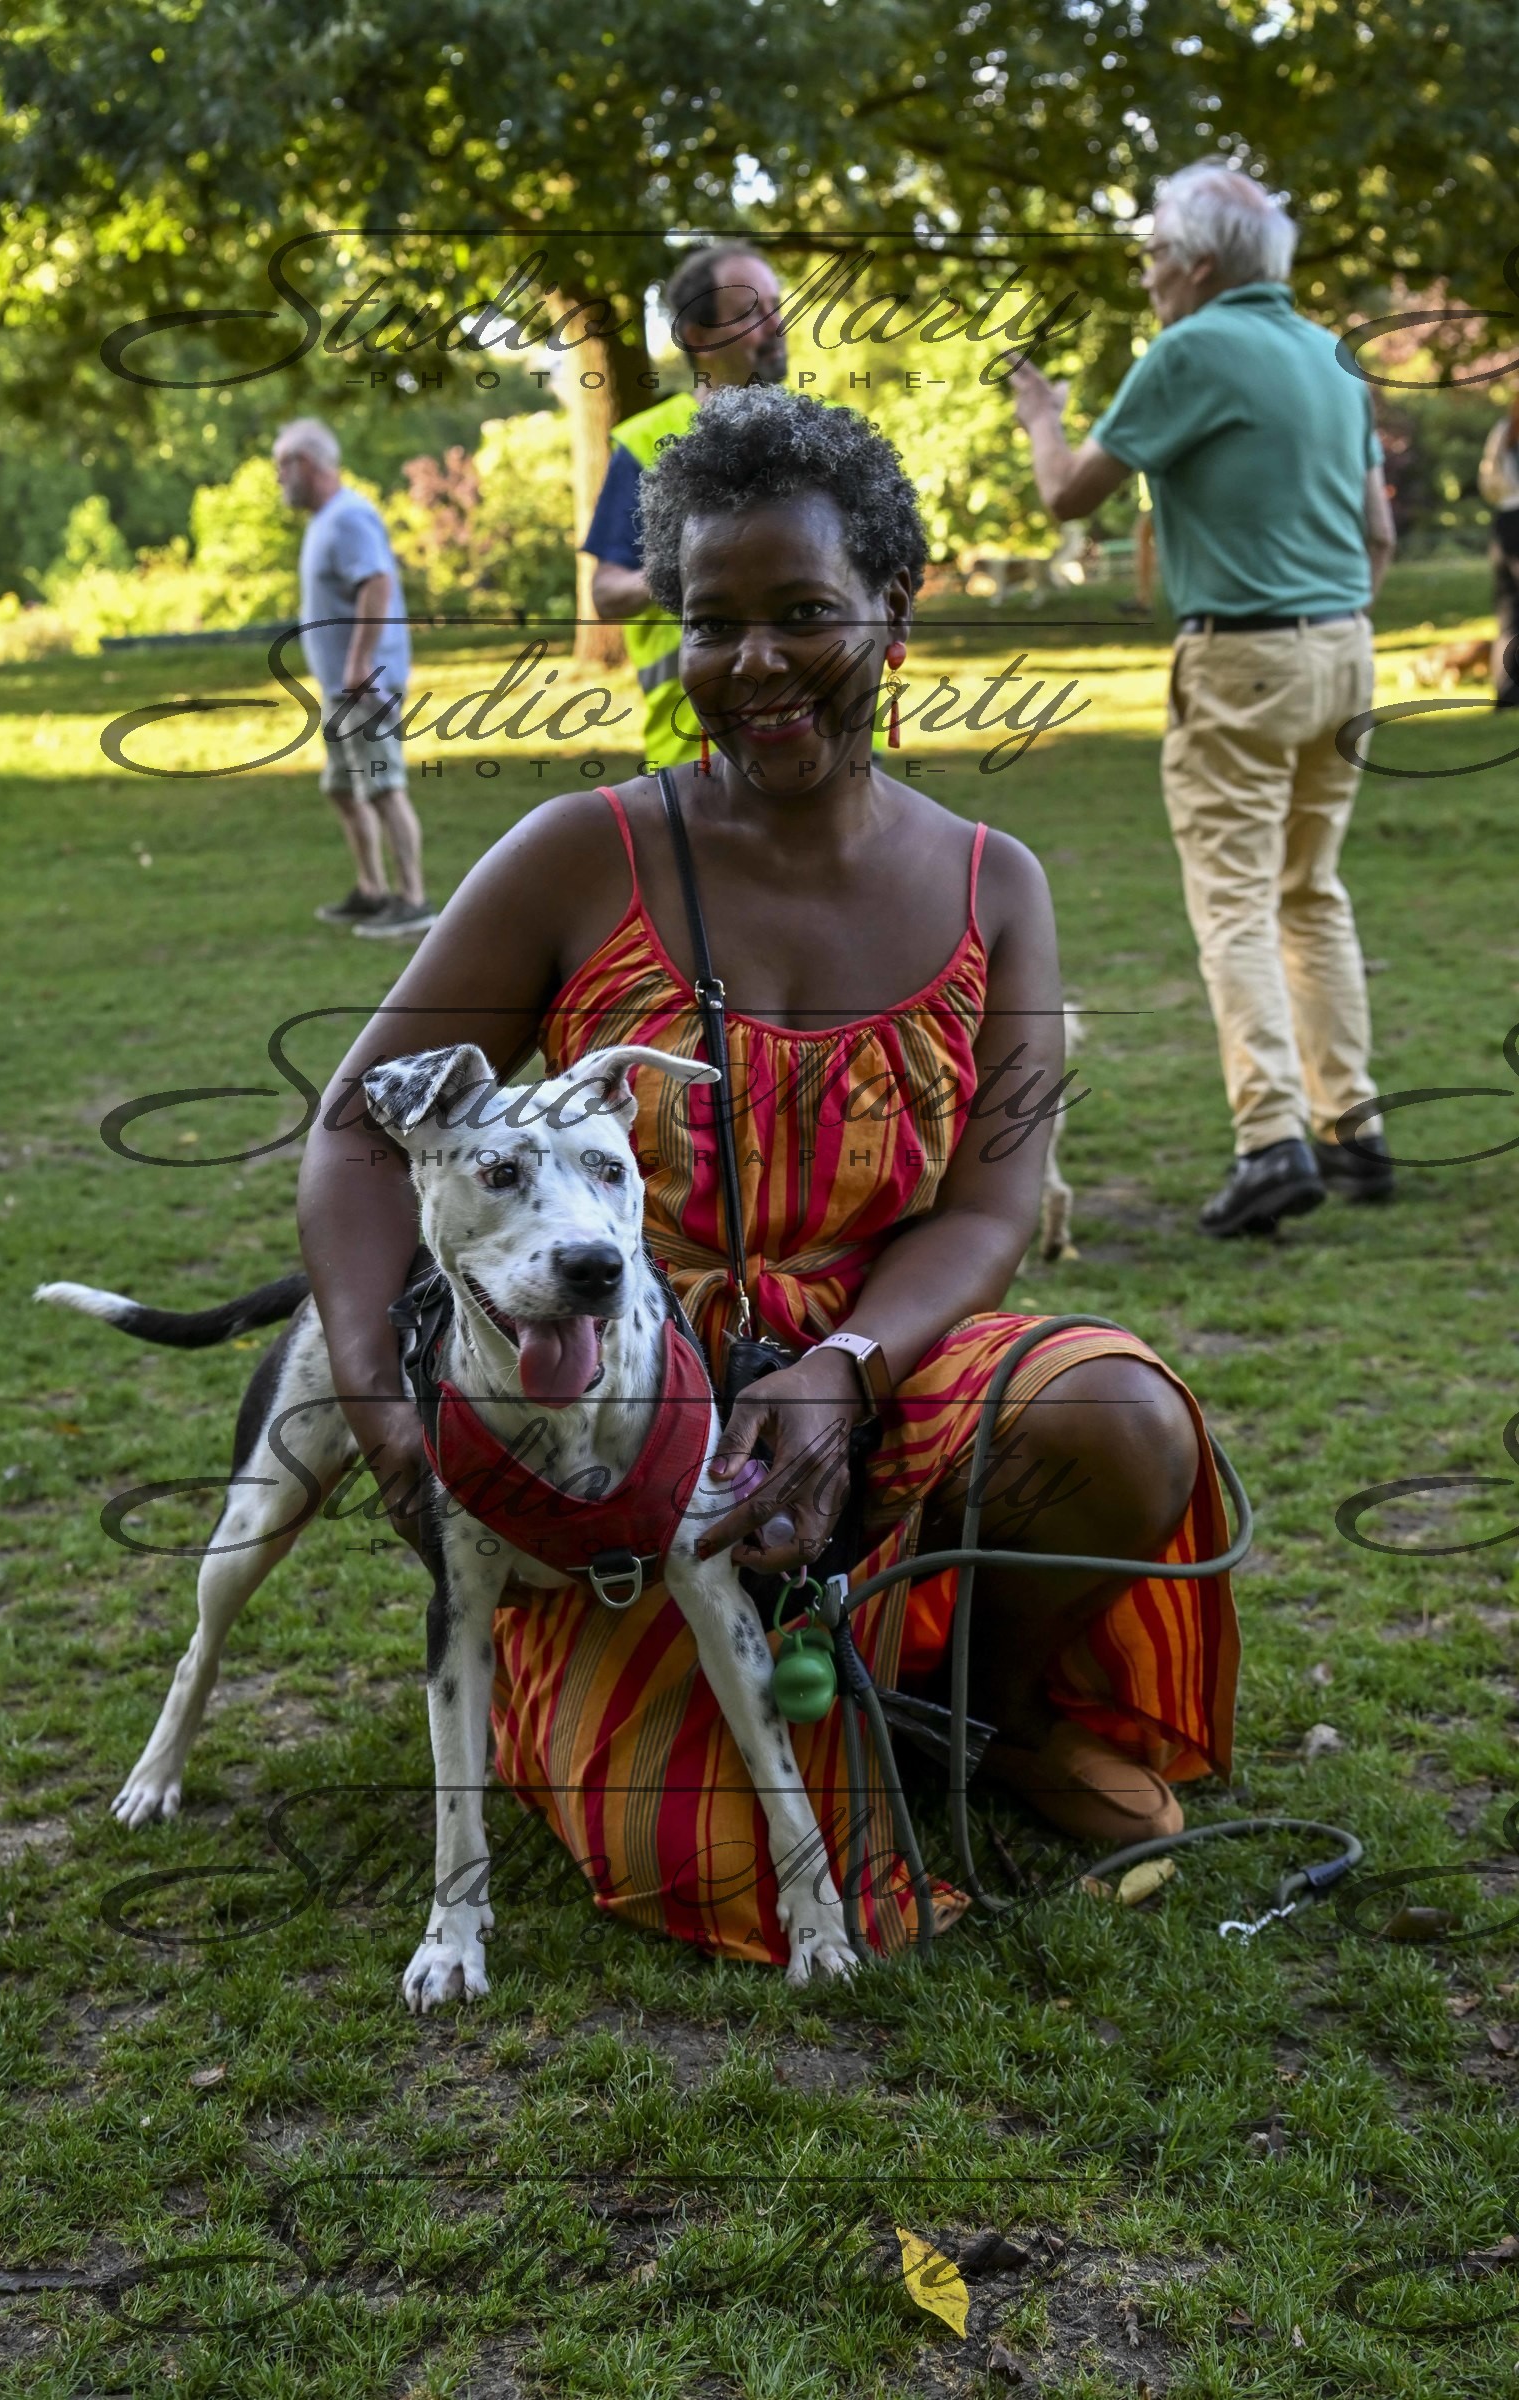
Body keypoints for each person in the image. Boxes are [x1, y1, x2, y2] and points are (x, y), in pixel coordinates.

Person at [297, 388, 1240, 1968]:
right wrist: (389, 1405)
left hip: (890, 1352)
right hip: (618, 1418)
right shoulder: (575, 856)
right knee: (734, 1850)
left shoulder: (993, 882)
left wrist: (846, 1368)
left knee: (1117, 1418)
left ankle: (973, 1721)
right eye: (709, 623)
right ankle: (785, 1709)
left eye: (804, 613)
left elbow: (995, 1207)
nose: (754, 664)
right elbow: (349, 1134)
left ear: (894, 611)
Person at [1009, 163, 1398, 1236]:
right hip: (1347, 651)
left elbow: (1067, 493)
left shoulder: (1191, 350)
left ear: (1196, 264)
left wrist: (1041, 414)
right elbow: (1380, 536)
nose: (1145, 280)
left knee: (1233, 902)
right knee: (1310, 892)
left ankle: (1270, 1142)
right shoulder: (1331, 353)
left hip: (1241, 658)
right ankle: (1351, 1130)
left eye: (1148, 259)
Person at [583, 245, 789, 767]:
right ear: (699, 337)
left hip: (831, 740)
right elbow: (607, 594)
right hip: (697, 753)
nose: (777, 324)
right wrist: (699, 566)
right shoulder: (648, 442)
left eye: (777, 306)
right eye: (752, 312)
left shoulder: (831, 429)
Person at [273, 417, 436, 939]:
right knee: (344, 789)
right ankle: (372, 890)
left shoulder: (348, 518)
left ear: (306, 463)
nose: (279, 478)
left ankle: (413, 901)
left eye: (282, 466)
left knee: (384, 787)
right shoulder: (325, 519)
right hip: (339, 687)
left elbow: (378, 582)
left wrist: (360, 660)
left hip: (364, 683)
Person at [1478, 395, 1519, 709]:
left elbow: (1488, 483)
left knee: (1509, 612)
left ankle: (1507, 692)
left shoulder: (1504, 431)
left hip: (1504, 523)